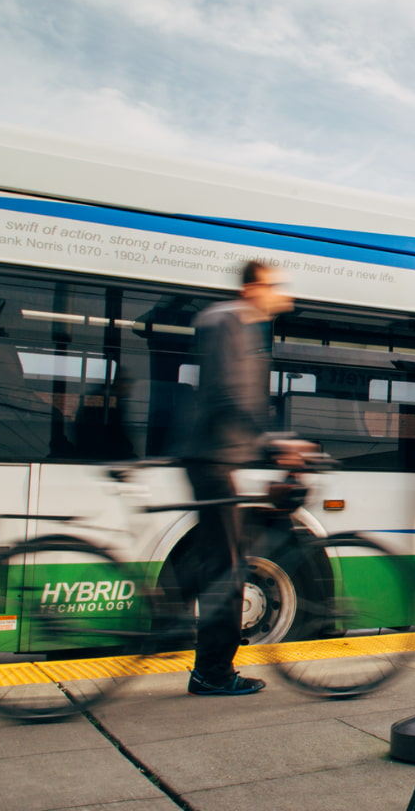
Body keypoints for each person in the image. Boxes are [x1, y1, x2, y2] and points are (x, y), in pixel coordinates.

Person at [178, 259, 311, 697]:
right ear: (255, 287)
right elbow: (228, 395)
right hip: (211, 460)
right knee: (227, 570)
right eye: (276, 286)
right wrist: (277, 446)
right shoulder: (229, 323)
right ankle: (211, 674)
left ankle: (204, 659)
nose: (282, 296)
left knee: (223, 563)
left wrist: (273, 447)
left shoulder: (235, 324)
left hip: (219, 459)